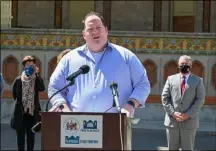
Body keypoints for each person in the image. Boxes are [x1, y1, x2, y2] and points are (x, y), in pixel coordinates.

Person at [48, 11, 150, 150]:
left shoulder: (126, 56)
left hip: (115, 127)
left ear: (106, 31)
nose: (95, 32)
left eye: (98, 28)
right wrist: (64, 109)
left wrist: (130, 105)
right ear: (84, 35)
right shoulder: (69, 59)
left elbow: (143, 84)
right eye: (90, 29)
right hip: (76, 128)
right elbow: (54, 87)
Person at [161, 55, 205, 150]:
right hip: (172, 122)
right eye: (182, 64)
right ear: (178, 65)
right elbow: (165, 97)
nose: (184, 65)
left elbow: (200, 99)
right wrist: (173, 113)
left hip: (189, 122)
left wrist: (188, 114)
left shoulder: (198, 81)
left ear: (191, 65)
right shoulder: (170, 79)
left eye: (186, 64)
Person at [12, 55, 45, 151]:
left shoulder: (36, 79)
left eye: (32, 65)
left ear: (35, 66)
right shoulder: (18, 80)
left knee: (31, 138)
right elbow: (15, 95)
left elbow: (42, 88)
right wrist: (23, 104)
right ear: (24, 66)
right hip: (20, 113)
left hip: (32, 113)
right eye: (27, 65)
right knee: (20, 138)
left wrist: (37, 74)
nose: (30, 66)